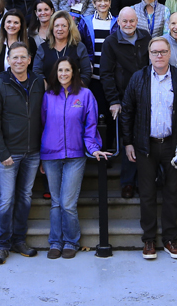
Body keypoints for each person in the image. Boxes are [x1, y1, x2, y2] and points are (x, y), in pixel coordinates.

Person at [121, 36, 177, 260]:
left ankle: (170, 239)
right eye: (154, 52)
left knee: (172, 192)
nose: (159, 56)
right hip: (146, 145)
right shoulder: (139, 78)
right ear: (149, 54)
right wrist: (128, 142)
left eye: (163, 52)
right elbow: (127, 112)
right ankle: (148, 240)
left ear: (169, 54)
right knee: (146, 194)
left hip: (173, 147)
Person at [41, 58, 109, 259]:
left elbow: (90, 126)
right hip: (50, 155)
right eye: (60, 70)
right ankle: (55, 242)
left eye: (67, 70)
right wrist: (39, 155)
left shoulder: (86, 95)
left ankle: (71, 241)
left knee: (67, 203)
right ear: (56, 73)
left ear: (74, 72)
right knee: (55, 202)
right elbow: (42, 125)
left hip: (75, 155)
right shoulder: (48, 96)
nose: (63, 74)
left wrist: (94, 148)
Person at [0, 42, 46, 265]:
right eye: (15, 58)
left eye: (23, 57)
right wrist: (2, 152)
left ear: (29, 60)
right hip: (9, 153)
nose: (19, 61)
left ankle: (19, 240)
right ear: (9, 60)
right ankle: (1, 245)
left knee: (25, 197)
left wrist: (43, 151)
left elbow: (45, 115)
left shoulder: (39, 82)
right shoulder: (0, 84)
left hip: (33, 152)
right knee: (5, 200)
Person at [100, 7, 151, 198]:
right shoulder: (111, 42)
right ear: (118, 22)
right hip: (123, 99)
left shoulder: (146, 37)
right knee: (127, 141)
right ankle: (128, 183)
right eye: (125, 21)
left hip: (146, 97)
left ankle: (143, 182)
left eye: (132, 21)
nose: (128, 25)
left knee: (145, 140)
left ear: (136, 21)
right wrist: (114, 100)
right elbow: (105, 73)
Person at [33, 10, 92, 85]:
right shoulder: (43, 47)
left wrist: (74, 92)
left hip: (74, 93)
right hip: (49, 93)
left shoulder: (79, 47)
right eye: (56, 26)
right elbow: (37, 72)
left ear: (69, 28)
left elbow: (86, 73)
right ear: (52, 28)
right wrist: (48, 91)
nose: (60, 29)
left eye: (64, 26)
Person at [0, 9, 36, 79]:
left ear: (21, 25)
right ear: (4, 24)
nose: (12, 25)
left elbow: (34, 67)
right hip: (0, 85)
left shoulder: (30, 42)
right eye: (9, 22)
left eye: (16, 23)